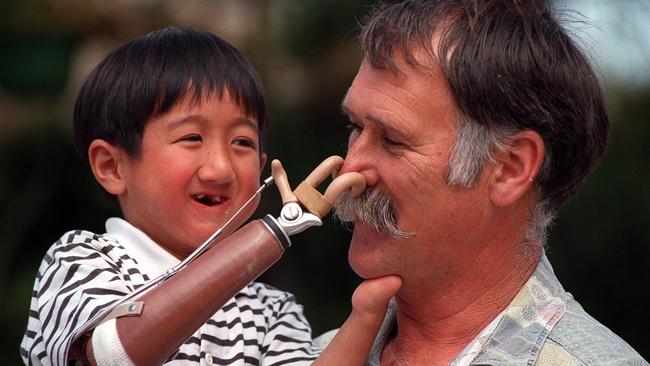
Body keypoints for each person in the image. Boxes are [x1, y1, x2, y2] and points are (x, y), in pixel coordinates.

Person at [19, 26, 399, 366]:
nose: (220, 168)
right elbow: (110, 356)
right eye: (191, 138)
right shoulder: (81, 261)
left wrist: (367, 317)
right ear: (112, 167)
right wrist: (274, 233)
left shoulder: (272, 310)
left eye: (242, 142)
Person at [331, 1, 648, 365]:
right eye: (355, 128)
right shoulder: (306, 351)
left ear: (510, 168)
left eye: (393, 140)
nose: (350, 170)